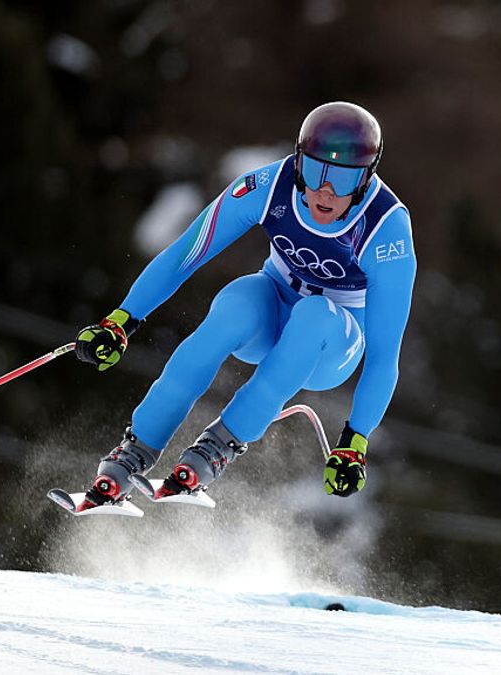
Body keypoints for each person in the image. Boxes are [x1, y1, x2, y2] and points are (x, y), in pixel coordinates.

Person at [70, 101, 415, 510]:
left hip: (331, 345)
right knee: (237, 302)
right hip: (272, 310)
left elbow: (384, 355)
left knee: (314, 315)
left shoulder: (386, 228)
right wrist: (122, 320)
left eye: (343, 179)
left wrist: (355, 440)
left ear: (366, 178)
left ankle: (218, 446)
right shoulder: (269, 185)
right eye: (315, 171)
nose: (326, 190)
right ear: (298, 161)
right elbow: (187, 252)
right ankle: (134, 451)